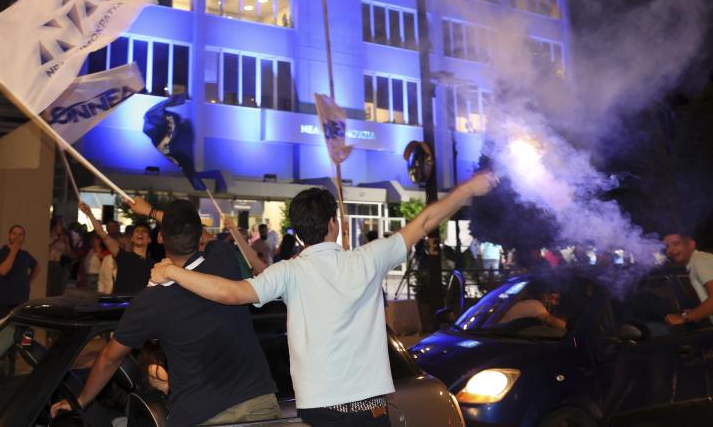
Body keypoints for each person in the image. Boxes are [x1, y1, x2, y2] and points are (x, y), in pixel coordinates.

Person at [151, 172, 497, 426]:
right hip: (369, 409)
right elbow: (425, 222)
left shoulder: (289, 272)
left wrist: (173, 272)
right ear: (334, 224)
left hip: (317, 412)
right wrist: (468, 188)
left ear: (299, 234)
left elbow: (231, 292)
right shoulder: (368, 259)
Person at [52, 200, 279, 426]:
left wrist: (79, 401)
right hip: (259, 405)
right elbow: (201, 235)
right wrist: (152, 211)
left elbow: (109, 358)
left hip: (202, 416)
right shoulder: (223, 258)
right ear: (199, 234)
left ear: (160, 238)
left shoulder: (150, 301)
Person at [663, 231, 713, 368]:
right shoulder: (701, 262)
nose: (671, 250)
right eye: (667, 247)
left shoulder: (701, 262)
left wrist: (685, 318)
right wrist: (697, 313)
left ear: (691, 244)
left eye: (676, 244)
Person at [84, 201, 153, 296]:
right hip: (120, 306)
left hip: (140, 307)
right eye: (137, 231)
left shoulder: (154, 265)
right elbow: (102, 234)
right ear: (132, 238)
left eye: (144, 231)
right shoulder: (123, 256)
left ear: (149, 239)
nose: (140, 233)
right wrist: (89, 213)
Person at [0, 225, 39, 321]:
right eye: (14, 233)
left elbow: (37, 266)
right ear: (9, 235)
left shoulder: (25, 255)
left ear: (23, 238)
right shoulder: (0, 253)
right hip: (3, 303)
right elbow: (2, 271)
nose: (17, 237)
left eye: (20, 234)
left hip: (21, 302)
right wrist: (13, 251)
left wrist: (28, 280)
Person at [497, 283, 566, 331]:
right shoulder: (533, 304)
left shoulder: (530, 303)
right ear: (543, 295)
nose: (554, 302)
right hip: (501, 337)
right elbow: (550, 320)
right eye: (550, 298)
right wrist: (569, 329)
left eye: (557, 299)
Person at [48, 216, 71, 296]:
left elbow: (69, 254)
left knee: (58, 289)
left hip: (60, 265)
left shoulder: (64, 238)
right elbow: (46, 249)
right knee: (49, 287)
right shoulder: (48, 237)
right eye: (60, 225)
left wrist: (67, 243)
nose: (62, 227)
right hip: (49, 264)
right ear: (54, 226)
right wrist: (56, 241)